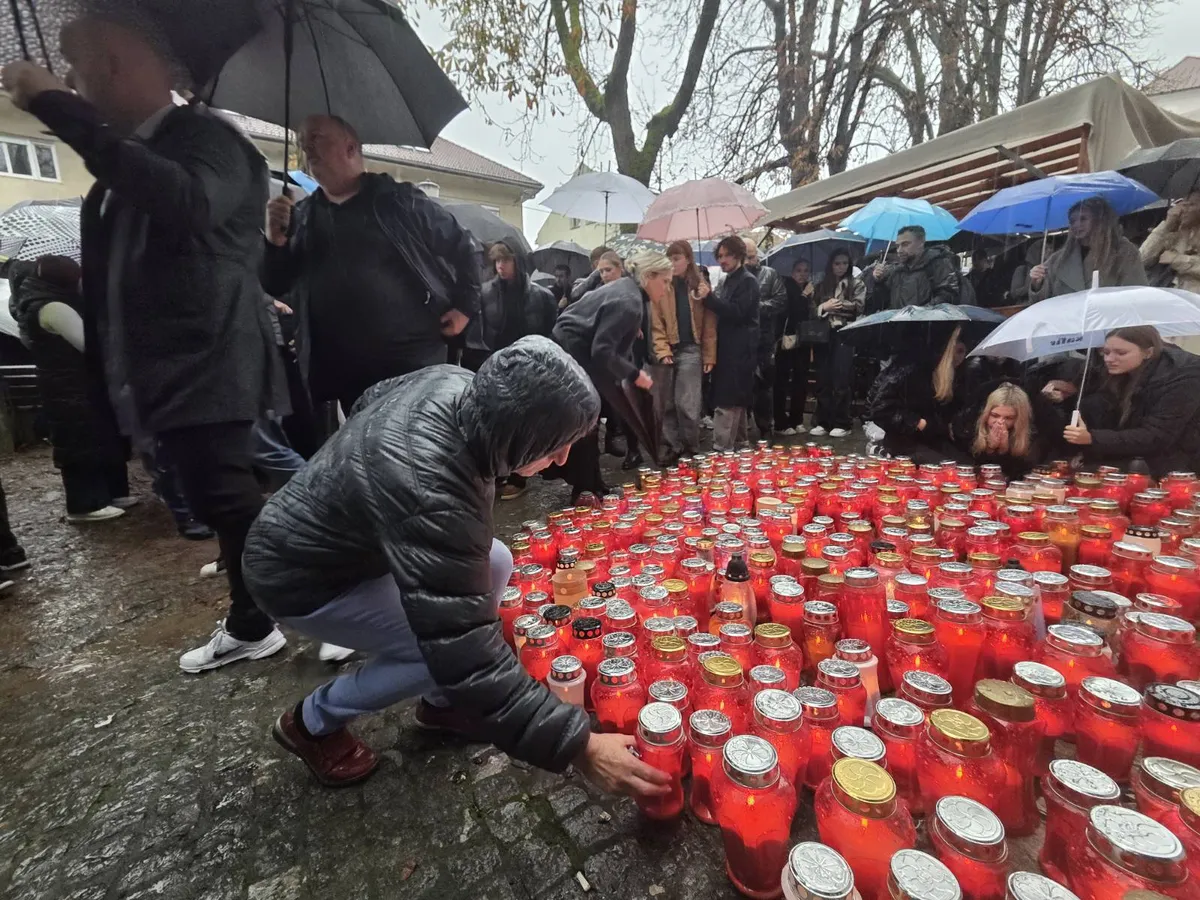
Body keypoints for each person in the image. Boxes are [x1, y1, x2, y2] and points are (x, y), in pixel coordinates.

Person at [245, 338, 668, 800]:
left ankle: (440, 704)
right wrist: (579, 745)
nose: (563, 460)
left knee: (496, 560)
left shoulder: (461, 386)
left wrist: (369, 506)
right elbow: (461, 648)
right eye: (556, 445)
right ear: (522, 430)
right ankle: (311, 722)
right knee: (433, 654)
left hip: (349, 545)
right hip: (301, 577)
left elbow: (372, 399)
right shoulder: (432, 490)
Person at [2, 10, 292, 672]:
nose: (71, 80)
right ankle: (264, 611)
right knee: (217, 496)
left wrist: (58, 107)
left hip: (207, 354)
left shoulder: (204, 137)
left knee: (230, 496)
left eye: (75, 67)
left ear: (114, 64)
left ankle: (295, 608)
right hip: (169, 364)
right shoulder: (135, 156)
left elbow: (188, 203)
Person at [261, 114, 481, 414]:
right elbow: (276, 284)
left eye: (316, 138)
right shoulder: (302, 217)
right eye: (302, 142)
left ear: (351, 148)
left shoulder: (399, 201)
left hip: (412, 368)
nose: (307, 148)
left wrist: (465, 307)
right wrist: (274, 243)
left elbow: (465, 246)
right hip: (344, 376)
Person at [7, 256, 133, 523]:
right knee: (79, 441)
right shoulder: (54, 307)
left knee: (97, 436)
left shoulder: (38, 302)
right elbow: (89, 345)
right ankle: (86, 504)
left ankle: (110, 494)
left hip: (70, 384)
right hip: (69, 386)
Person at [552, 253, 662, 501]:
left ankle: (593, 483)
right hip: (574, 350)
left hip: (578, 349)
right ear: (649, 276)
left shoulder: (628, 291)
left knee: (591, 418)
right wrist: (634, 374)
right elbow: (602, 350)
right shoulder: (629, 300)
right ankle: (585, 487)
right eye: (665, 281)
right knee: (585, 418)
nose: (667, 288)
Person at [464, 241, 557, 500]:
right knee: (497, 421)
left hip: (529, 365)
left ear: (518, 261)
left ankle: (519, 475)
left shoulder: (542, 296)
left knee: (525, 422)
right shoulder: (485, 294)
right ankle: (498, 474)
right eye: (496, 261)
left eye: (505, 260)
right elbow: (477, 336)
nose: (500, 266)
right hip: (495, 365)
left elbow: (551, 335)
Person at [1063, 326, 1200, 478]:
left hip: (1176, 466)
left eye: (1121, 353)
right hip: (1135, 457)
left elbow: (1157, 436)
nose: (1109, 359)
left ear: (1148, 352)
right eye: (1105, 352)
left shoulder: (1182, 378)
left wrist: (1092, 438)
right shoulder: (1119, 373)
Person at [651, 240, 717, 463]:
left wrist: (709, 354)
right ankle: (673, 446)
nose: (672, 263)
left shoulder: (699, 285)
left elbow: (709, 324)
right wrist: (662, 350)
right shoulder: (661, 285)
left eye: (677, 258)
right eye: (669, 259)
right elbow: (656, 323)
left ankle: (691, 446)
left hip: (691, 349)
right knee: (667, 404)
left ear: (688, 259)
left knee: (687, 403)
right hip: (669, 349)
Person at [866, 326, 968, 463]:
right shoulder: (911, 369)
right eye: (958, 351)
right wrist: (918, 423)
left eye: (963, 352)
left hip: (935, 439)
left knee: (965, 465)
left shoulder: (958, 372)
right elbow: (881, 409)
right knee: (948, 467)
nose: (960, 357)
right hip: (905, 441)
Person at [1030, 197, 1146, 301]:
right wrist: (1037, 284)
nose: (1076, 225)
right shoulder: (1058, 259)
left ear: (1099, 220)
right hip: (1067, 317)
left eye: (1083, 219)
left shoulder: (1123, 252)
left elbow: (1137, 294)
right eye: (1072, 221)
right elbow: (1041, 303)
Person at [705, 236, 760, 450]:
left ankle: (722, 449)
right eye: (720, 256)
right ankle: (740, 444)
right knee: (736, 399)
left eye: (727, 255)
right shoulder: (729, 280)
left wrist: (710, 299)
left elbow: (737, 312)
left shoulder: (747, 281)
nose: (722, 260)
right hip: (729, 348)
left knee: (729, 400)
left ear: (738, 255)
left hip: (740, 350)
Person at [808, 248, 865, 439]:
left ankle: (842, 421)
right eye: (837, 263)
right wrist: (824, 307)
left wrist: (836, 305)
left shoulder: (856, 284)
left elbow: (859, 306)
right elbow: (812, 309)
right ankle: (823, 420)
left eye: (844, 263)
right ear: (831, 265)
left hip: (845, 334)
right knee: (823, 378)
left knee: (842, 378)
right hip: (824, 334)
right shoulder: (822, 285)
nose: (841, 267)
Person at [744, 240, 788, 439]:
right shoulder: (732, 278)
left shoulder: (770, 274)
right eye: (745, 257)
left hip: (765, 339)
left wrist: (756, 307)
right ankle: (743, 427)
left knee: (764, 386)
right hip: (741, 341)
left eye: (751, 256)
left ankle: (765, 428)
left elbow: (781, 301)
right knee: (744, 384)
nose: (748, 261)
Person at [954, 382, 1038, 479]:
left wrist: (1004, 451)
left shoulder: (1030, 437)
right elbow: (967, 469)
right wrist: (990, 449)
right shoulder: (969, 429)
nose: (1000, 422)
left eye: (1008, 418)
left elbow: (1020, 476)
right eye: (995, 415)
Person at [872, 225, 961, 308]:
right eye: (897, 246)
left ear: (921, 243)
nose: (899, 250)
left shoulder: (938, 264)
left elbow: (949, 296)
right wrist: (879, 281)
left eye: (905, 244)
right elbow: (881, 303)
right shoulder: (897, 270)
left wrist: (919, 313)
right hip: (899, 319)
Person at [774, 259, 813, 435]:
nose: (802, 274)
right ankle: (780, 422)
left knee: (801, 380)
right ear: (792, 272)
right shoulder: (785, 287)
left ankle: (797, 419)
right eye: (798, 270)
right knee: (782, 380)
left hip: (804, 340)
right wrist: (804, 296)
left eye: (805, 270)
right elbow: (792, 310)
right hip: (786, 340)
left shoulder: (811, 289)